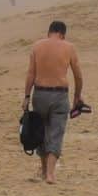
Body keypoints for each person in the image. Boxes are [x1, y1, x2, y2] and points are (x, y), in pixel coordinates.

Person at [22, 20, 85, 185]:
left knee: (40, 132)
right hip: (59, 95)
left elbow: (30, 74)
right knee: (56, 133)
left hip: (40, 94)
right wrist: (77, 96)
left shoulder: (37, 46)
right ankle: (50, 174)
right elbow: (78, 75)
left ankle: (43, 171)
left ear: (49, 32)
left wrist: (27, 96)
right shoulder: (68, 47)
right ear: (63, 34)